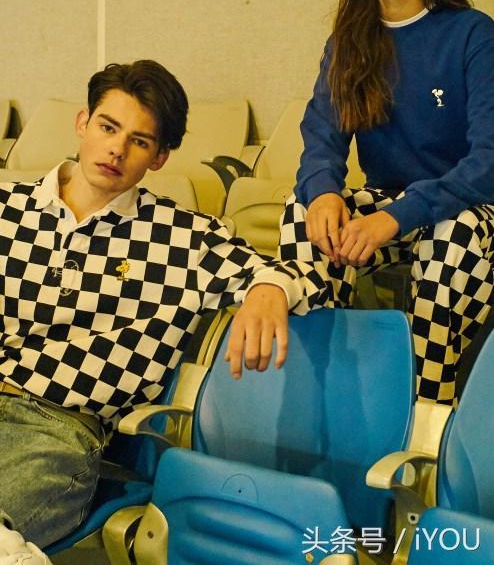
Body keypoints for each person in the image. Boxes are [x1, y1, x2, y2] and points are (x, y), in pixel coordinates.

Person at [0, 60, 332, 564]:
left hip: (56, 428)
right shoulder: (8, 209)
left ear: (159, 157)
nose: (116, 148)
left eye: (138, 141)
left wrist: (268, 288)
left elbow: (303, 277)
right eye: (108, 127)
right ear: (82, 123)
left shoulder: (183, 238)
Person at [280, 0, 494, 409]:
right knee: (302, 213)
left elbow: (490, 161)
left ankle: (426, 408)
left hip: (470, 210)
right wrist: (323, 192)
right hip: (389, 205)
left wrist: (397, 217)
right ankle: (320, 392)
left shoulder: (471, 33)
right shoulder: (348, 41)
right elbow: (321, 136)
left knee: (455, 236)